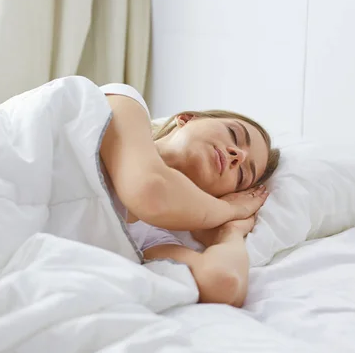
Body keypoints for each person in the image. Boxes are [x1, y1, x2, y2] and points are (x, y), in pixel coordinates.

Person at [98, 83, 280, 308]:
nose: (238, 155)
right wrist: (230, 209)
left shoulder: (148, 237)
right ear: (187, 118)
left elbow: (225, 284)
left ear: (226, 194)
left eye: (242, 175)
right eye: (234, 134)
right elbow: (150, 191)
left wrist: (230, 231)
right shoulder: (123, 102)